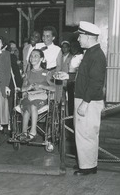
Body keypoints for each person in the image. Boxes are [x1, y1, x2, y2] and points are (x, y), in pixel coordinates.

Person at [57, 21, 106, 175]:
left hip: (88, 100)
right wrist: (69, 76)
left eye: (80, 36)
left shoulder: (96, 55)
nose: (78, 40)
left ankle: (89, 167)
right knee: (83, 133)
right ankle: (85, 164)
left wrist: (85, 103)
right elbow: (84, 77)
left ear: (89, 37)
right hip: (84, 98)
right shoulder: (90, 53)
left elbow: (96, 82)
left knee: (87, 134)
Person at [19, 49, 55, 142]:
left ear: (41, 59)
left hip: (40, 99)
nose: (33, 58)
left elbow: (54, 88)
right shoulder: (27, 74)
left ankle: (33, 131)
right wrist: (28, 87)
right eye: (31, 56)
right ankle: (24, 132)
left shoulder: (46, 73)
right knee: (26, 107)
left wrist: (42, 86)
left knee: (32, 105)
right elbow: (22, 89)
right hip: (29, 97)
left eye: (36, 56)